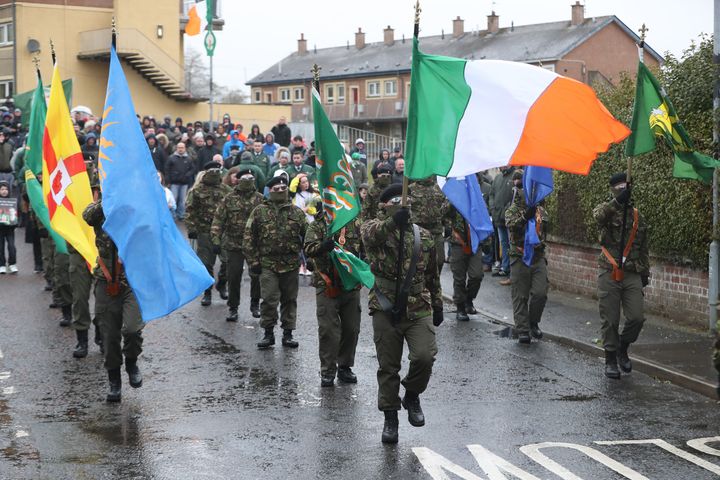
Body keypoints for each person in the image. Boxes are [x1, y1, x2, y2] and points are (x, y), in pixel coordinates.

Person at [360, 183, 443, 444]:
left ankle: (412, 394)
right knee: (388, 366)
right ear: (384, 206)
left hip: (419, 305)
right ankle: (390, 417)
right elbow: (373, 237)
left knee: (424, 356)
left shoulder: (424, 236)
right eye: (393, 200)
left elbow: (432, 273)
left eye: (402, 200)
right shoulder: (372, 227)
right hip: (386, 306)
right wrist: (393, 222)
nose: (399, 203)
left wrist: (438, 303)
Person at [83, 198, 144, 403]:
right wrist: (108, 201)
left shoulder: (137, 207)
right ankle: (114, 381)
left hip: (132, 282)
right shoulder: (101, 210)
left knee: (133, 329)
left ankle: (132, 362)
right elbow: (87, 216)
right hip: (106, 282)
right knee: (109, 336)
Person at [593, 172, 649, 379]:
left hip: (632, 272)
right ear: (613, 190)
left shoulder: (637, 216)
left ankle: (622, 347)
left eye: (626, 187)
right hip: (609, 271)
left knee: (636, 317)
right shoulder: (606, 210)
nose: (624, 190)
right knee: (610, 319)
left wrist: (645, 273)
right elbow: (597, 218)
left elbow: (643, 248)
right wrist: (617, 203)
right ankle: (610, 360)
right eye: (619, 188)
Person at [243, 176, 307, 349]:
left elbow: (308, 237)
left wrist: (310, 259)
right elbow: (249, 237)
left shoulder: (297, 212)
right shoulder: (259, 211)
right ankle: (268, 333)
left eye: (283, 188)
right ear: (269, 191)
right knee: (269, 299)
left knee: (289, 299)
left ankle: (288, 334)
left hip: (291, 264)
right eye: (276, 189)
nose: (280, 191)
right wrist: (253, 261)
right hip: (267, 264)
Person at [304, 210, 362, 387]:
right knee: (329, 329)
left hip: (350, 283)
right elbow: (308, 248)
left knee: (351, 328)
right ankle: (328, 370)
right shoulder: (317, 224)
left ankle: (345, 366)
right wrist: (322, 247)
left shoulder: (354, 222)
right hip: (326, 283)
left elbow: (367, 244)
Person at [212, 167, 265, 321]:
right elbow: (218, 220)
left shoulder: (260, 199)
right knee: (234, 276)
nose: (248, 181)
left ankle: (255, 304)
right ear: (239, 180)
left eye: (251, 178)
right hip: (234, 244)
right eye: (245, 178)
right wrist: (216, 239)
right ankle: (233, 308)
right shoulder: (229, 199)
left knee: (256, 275)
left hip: (254, 245)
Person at [505, 169, 549, 344]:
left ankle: (533, 322)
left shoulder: (541, 211)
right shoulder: (512, 210)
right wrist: (525, 217)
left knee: (540, 293)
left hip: (537, 257)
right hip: (520, 255)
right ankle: (523, 329)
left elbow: (545, 231)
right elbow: (511, 225)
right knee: (520, 295)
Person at [185, 162, 232, 306]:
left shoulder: (227, 190)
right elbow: (190, 210)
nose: (215, 173)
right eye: (212, 170)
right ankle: (207, 292)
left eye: (217, 170)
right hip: (204, 231)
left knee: (227, 262)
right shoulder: (197, 190)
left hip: (223, 232)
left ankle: (222, 283)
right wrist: (191, 228)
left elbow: (233, 209)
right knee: (206, 263)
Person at [446, 206, 484, 321]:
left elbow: (483, 217)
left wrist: (487, 241)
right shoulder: (453, 198)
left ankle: (469, 299)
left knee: (476, 275)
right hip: (458, 243)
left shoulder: (475, 197)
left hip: (475, 243)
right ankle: (460, 307)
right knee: (459, 278)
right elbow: (442, 213)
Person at [489, 166, 515, 283]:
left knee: (511, 243)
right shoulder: (498, 178)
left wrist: (508, 210)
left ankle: (512, 270)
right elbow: (492, 194)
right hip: (498, 217)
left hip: (509, 218)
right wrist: (493, 208)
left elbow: (515, 197)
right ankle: (505, 267)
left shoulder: (514, 176)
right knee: (503, 243)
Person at [164, 142, 195, 221]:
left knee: (182, 200)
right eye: (179, 147)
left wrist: (188, 175)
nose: (180, 149)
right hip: (174, 182)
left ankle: (181, 215)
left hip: (184, 183)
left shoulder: (189, 158)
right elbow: (167, 169)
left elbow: (193, 169)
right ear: (176, 148)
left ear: (185, 148)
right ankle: (172, 215)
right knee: (173, 199)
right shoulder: (171, 158)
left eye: (182, 147)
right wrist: (168, 179)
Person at [0, 180, 17, 274]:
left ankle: (12, 264)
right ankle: (1, 265)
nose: (4, 191)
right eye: (2, 189)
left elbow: (15, 214)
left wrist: (15, 222)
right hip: (0, 229)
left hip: (10, 228)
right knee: (0, 247)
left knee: (11, 247)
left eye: (6, 189)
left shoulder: (12, 201)